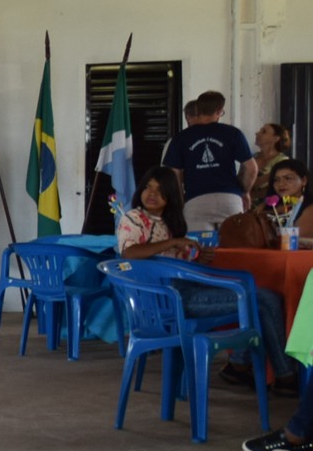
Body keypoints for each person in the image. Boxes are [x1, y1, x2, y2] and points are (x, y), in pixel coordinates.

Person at [117, 167, 296, 394]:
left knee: (265, 296)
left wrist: (200, 257)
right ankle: (280, 375)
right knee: (261, 299)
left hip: (184, 291)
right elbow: (129, 254)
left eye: (160, 190)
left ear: (171, 196)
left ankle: (248, 367)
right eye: (148, 187)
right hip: (167, 300)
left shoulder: (170, 224)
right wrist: (173, 243)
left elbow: (177, 264)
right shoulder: (133, 218)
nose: (152, 193)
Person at [164, 90, 256, 232]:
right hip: (229, 198)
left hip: (196, 200)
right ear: (219, 111)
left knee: (199, 248)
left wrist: (180, 201)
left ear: (198, 109)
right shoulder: (233, 133)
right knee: (232, 248)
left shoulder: (181, 138)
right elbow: (251, 168)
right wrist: (244, 191)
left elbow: (174, 173)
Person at [251, 123, 292, 208]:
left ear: (275, 139)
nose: (257, 133)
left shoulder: (282, 161)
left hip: (269, 207)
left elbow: (276, 189)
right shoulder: (253, 157)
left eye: (263, 132)